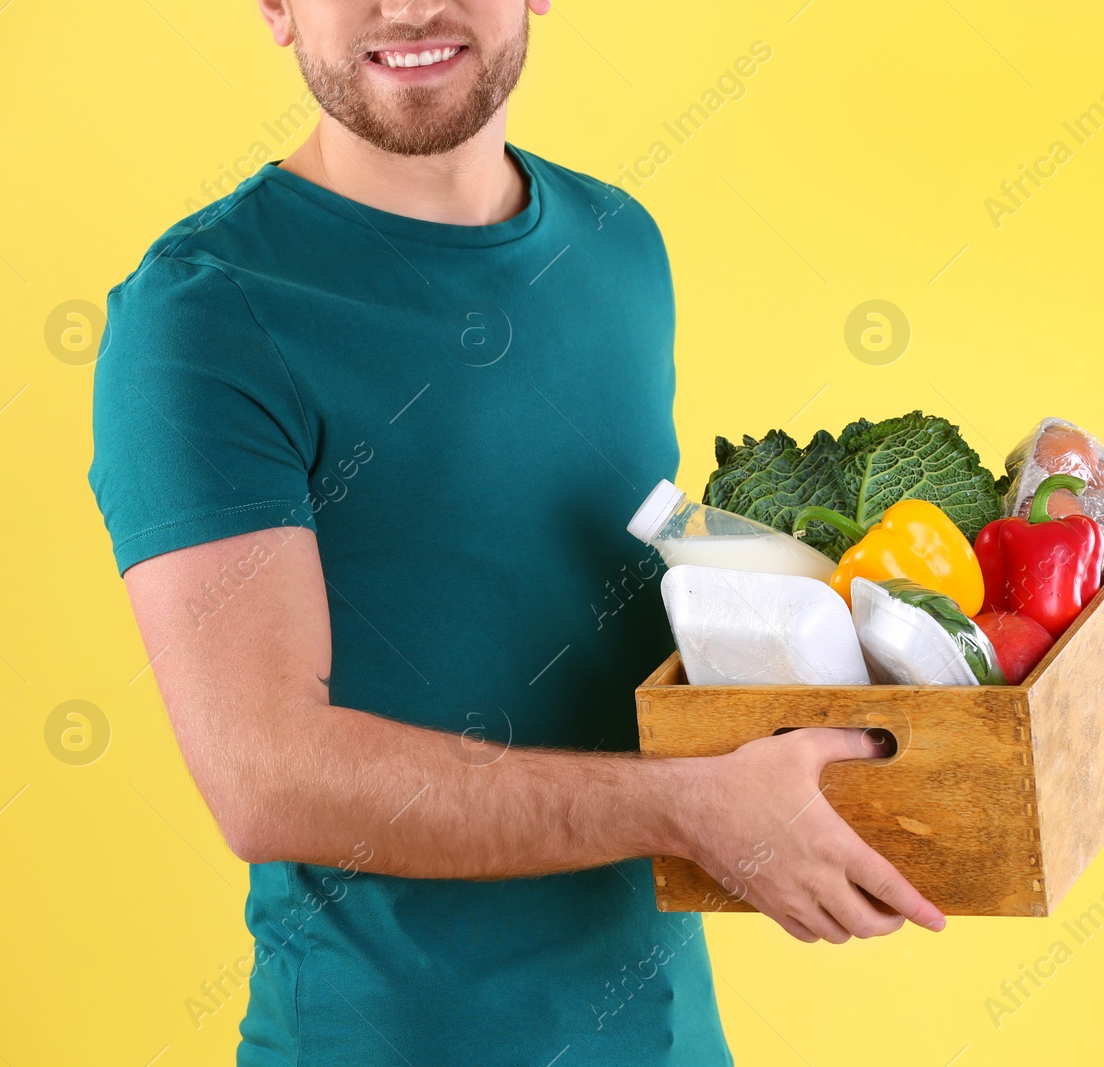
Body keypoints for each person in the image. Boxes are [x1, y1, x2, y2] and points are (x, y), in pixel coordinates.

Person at [86, 1, 946, 1062]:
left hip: (669, 1036)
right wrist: (688, 810)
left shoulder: (619, 242)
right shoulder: (204, 316)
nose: (405, 6)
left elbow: (639, 625)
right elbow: (266, 776)